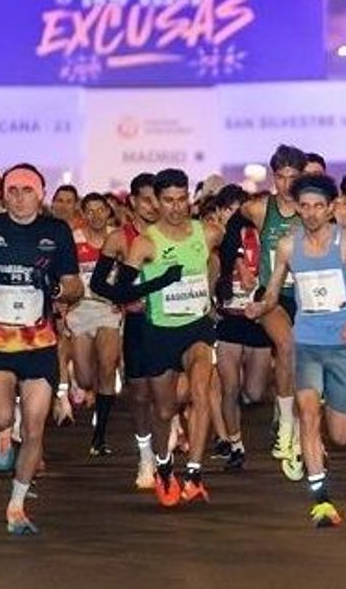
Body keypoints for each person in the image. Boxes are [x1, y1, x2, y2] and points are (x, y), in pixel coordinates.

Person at [247, 173, 346, 527]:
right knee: (307, 414)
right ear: (297, 208)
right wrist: (259, 308)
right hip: (306, 340)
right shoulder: (288, 247)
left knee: (339, 435)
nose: (310, 214)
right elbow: (273, 293)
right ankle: (320, 498)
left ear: (330, 209)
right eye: (304, 207)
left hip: (343, 344)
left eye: (318, 207)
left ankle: (333, 415)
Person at [0, 163, 83, 534]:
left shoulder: (56, 231)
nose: (19, 197)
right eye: (12, 190)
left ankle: (16, 505)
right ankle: (0, 438)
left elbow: (75, 286)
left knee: (36, 427)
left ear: (41, 194)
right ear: (3, 194)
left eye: (27, 190)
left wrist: (55, 290)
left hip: (40, 342)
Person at [118, 168, 224, 505]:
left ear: (189, 199)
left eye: (182, 200)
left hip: (197, 327)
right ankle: (164, 466)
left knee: (200, 391)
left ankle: (193, 471)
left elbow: (217, 262)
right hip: (159, 331)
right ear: (157, 203)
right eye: (168, 201)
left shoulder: (207, 233)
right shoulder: (145, 243)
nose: (176, 208)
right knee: (163, 411)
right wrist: (139, 294)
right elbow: (121, 287)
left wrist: (211, 292)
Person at [89, 173, 163, 490]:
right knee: (141, 394)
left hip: (177, 322)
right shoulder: (120, 238)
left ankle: (167, 449)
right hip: (139, 323)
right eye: (146, 199)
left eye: (157, 198)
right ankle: (146, 456)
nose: (153, 205)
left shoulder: (177, 235)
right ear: (132, 202)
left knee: (174, 394)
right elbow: (97, 283)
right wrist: (125, 300)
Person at [237, 146, 304, 470]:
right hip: (271, 295)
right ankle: (288, 427)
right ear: (273, 176)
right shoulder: (260, 209)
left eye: (293, 178)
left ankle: (301, 421)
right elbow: (225, 226)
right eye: (281, 177)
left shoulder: (316, 209)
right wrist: (239, 261)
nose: (287, 184)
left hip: (310, 295)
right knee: (287, 344)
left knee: (307, 358)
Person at [211, 186, 270, 470]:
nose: (235, 214)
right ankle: (235, 444)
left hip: (257, 320)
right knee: (229, 387)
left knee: (255, 392)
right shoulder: (214, 238)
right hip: (228, 320)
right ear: (221, 211)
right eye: (229, 209)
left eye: (240, 208)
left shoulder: (261, 233)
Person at [67, 193, 123, 456]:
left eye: (101, 210)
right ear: (83, 213)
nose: (96, 216)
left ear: (108, 212)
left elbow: (130, 270)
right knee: (85, 377)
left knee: (108, 366)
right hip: (80, 311)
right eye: (90, 211)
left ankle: (100, 434)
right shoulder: (74, 239)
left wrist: (123, 296)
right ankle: (85, 390)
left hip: (107, 310)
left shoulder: (118, 238)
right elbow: (64, 273)